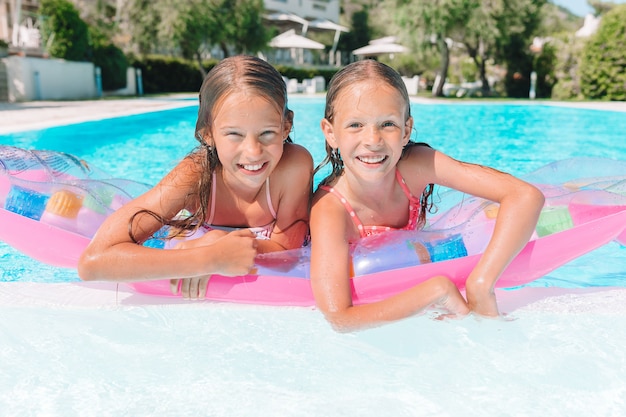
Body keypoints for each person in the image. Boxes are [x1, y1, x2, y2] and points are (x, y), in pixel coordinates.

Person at [310, 60, 545, 332]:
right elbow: (339, 319)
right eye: (355, 125)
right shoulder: (331, 210)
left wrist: (481, 282)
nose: (372, 140)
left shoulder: (416, 167)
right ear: (330, 133)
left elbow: (524, 195)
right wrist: (436, 291)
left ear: (406, 130)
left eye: (387, 124)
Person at [78, 55, 313, 299]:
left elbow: (286, 254)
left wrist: (216, 242)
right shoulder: (196, 175)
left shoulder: (292, 167)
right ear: (208, 134)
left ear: (286, 126)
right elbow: (93, 261)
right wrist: (206, 258)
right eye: (234, 134)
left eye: (267, 133)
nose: (253, 151)